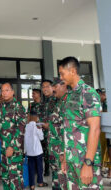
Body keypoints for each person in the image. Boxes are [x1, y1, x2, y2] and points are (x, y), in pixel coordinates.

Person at [59, 56, 103, 189]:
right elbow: (69, 128)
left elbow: (95, 129)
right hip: (72, 160)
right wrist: (66, 157)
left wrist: (88, 163)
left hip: (85, 160)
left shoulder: (88, 93)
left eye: (62, 73)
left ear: (72, 71)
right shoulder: (70, 96)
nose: (61, 77)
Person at [0, 83, 27, 190]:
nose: (4, 93)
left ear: (12, 92)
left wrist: (12, 146)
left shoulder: (19, 107)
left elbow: (21, 129)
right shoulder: (0, 107)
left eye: (7, 90)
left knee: (15, 180)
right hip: (4, 150)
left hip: (14, 151)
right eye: (2, 91)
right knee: (6, 178)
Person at [48, 78, 68, 190]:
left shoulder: (68, 103)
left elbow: (69, 131)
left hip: (62, 153)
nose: (53, 89)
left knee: (64, 183)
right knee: (56, 182)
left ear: (64, 85)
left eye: (55, 86)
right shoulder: (59, 102)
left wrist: (62, 152)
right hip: (55, 152)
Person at [39, 80, 57, 177]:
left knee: (55, 158)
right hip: (44, 133)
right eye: (43, 87)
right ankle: (47, 170)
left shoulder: (56, 100)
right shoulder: (43, 102)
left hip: (55, 134)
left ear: (52, 87)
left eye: (47, 86)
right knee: (45, 153)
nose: (45, 89)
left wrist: (49, 125)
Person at [24, 112, 46, 189]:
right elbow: (41, 138)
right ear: (36, 118)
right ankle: (40, 183)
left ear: (29, 117)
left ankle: (32, 185)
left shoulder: (25, 126)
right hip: (38, 152)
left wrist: (25, 151)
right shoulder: (38, 126)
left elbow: (24, 140)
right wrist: (40, 130)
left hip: (29, 152)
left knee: (31, 169)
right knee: (40, 168)